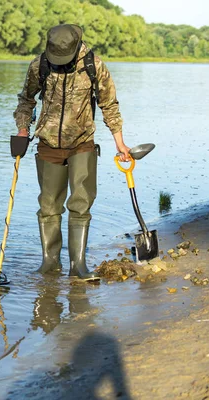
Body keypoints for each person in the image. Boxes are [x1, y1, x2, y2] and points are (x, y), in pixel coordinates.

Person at [13, 24, 131, 281]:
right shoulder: (39, 65)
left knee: (80, 204)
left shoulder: (94, 65)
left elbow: (109, 105)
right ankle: (49, 263)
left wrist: (119, 143)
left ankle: (78, 266)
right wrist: (23, 130)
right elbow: (26, 100)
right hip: (47, 145)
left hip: (82, 144)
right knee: (48, 206)